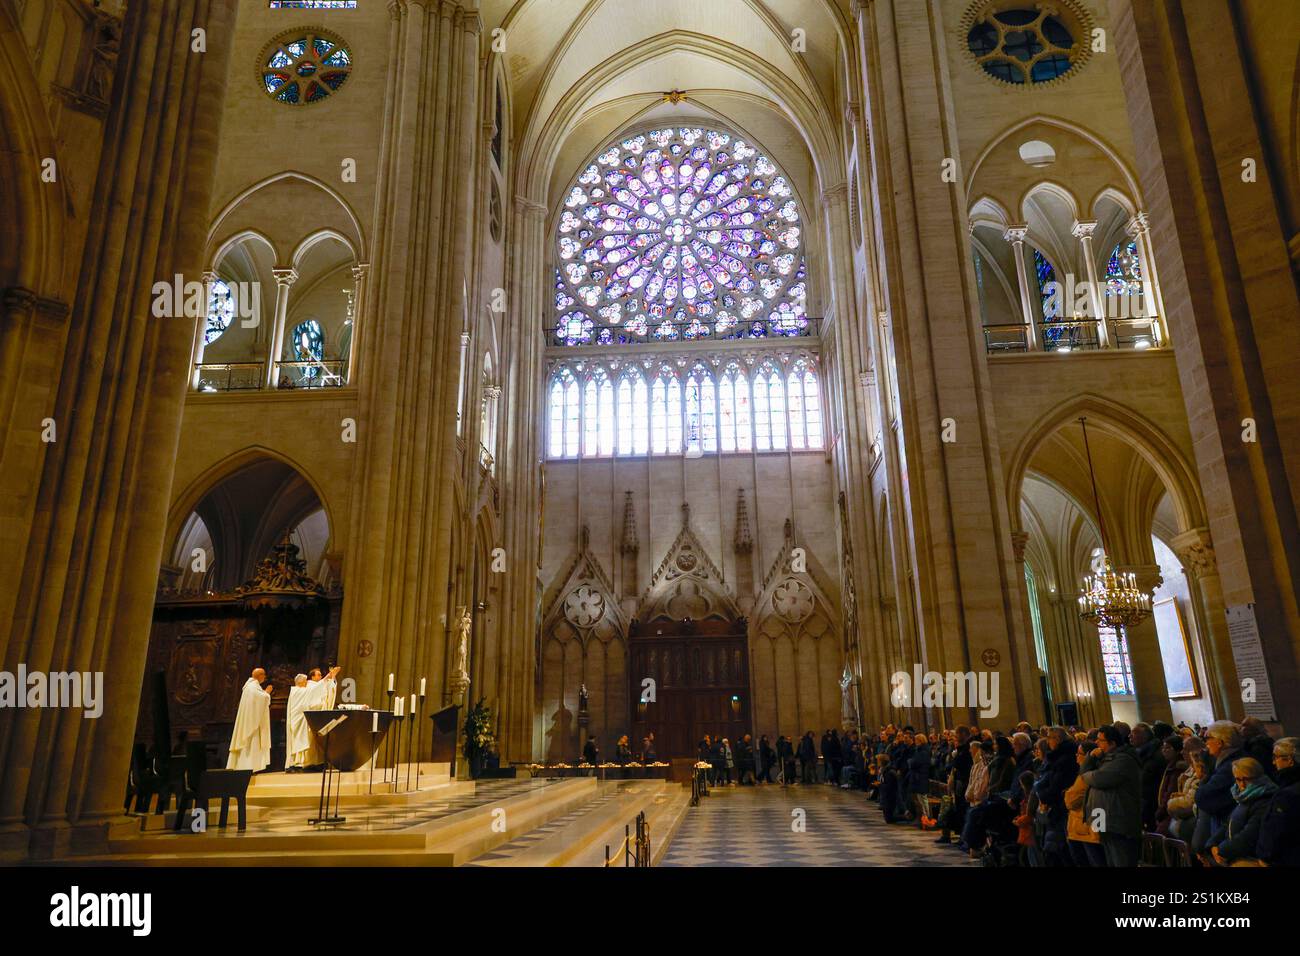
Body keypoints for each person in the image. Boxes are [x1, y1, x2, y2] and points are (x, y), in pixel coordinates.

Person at [1079, 724, 1143, 867]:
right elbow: (1084, 773)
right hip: (1102, 819)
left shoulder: (1123, 759)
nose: (1097, 743)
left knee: (1121, 860)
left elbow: (1098, 778)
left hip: (1118, 821)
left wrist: (1088, 775)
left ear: (1112, 743)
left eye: (1100, 740)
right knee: (1109, 860)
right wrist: (1090, 758)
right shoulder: (1104, 758)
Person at [1204, 756, 1276, 866]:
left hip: (1252, 857)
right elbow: (1226, 824)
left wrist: (1221, 850)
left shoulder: (1265, 799)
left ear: (1257, 777)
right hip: (1234, 853)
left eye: (1247, 779)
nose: (1242, 785)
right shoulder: (1243, 797)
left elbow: (1248, 837)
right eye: (1238, 779)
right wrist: (1212, 844)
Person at [1196, 720, 1244, 845]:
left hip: (1227, 823)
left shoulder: (1229, 766)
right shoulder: (1225, 761)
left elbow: (1203, 797)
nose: (1205, 743)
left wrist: (1203, 779)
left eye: (1208, 738)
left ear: (1220, 742)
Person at [285, 665, 340, 771]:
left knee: (312, 742)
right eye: (318, 675)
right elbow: (315, 692)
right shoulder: (305, 688)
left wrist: (332, 678)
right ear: (312, 677)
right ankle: (299, 763)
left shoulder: (313, 686)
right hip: (301, 719)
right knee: (302, 741)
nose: (320, 676)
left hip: (311, 718)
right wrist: (329, 676)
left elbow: (325, 691)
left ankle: (313, 763)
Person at [1257, 737, 1300, 866]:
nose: (1274, 762)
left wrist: (1264, 856)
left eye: (1276, 757)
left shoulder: (1287, 794)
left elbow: (1276, 829)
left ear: (1290, 760)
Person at [227, 668, 272, 771]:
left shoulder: (251, 686)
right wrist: (267, 693)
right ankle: (248, 766)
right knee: (251, 743)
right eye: (264, 675)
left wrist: (264, 693)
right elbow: (260, 700)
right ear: (260, 675)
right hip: (251, 722)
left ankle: (250, 766)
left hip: (250, 719)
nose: (265, 677)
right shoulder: (252, 687)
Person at [1064, 742, 1101, 866]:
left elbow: (1071, 801)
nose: (1076, 756)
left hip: (1086, 829)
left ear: (1087, 756)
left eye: (1079, 753)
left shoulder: (1086, 775)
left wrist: (1068, 792)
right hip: (1086, 828)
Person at [907, 733, 933, 826]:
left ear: (921, 741)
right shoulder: (919, 751)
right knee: (919, 798)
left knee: (923, 798)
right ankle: (923, 817)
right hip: (918, 777)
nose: (915, 742)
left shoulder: (923, 752)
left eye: (917, 740)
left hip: (921, 777)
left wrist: (910, 762)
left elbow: (914, 763)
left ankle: (927, 817)